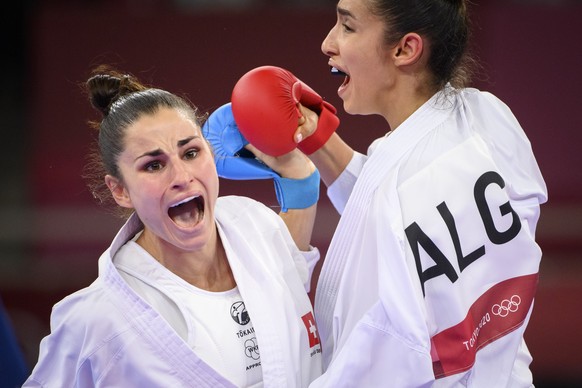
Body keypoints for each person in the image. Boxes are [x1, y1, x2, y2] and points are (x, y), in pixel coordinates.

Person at [229, 0, 548, 386]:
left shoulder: (404, 198)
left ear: (405, 49)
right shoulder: (488, 118)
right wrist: (318, 140)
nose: (328, 43)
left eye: (348, 27)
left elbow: (382, 354)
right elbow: (392, 203)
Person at [23, 67, 323, 387]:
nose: (182, 177)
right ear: (120, 190)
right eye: (154, 165)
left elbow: (291, 264)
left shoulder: (256, 228)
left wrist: (297, 169)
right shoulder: (96, 321)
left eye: (191, 152)